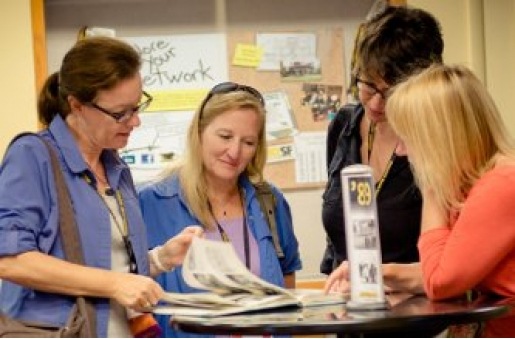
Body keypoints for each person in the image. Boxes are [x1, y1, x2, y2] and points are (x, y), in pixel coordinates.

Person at [0, 37, 203, 337]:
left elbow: (106, 265)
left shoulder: (116, 168)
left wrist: (161, 258)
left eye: (137, 106)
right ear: (77, 106)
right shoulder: (33, 155)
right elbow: (11, 261)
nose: (135, 122)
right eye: (121, 112)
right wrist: (116, 284)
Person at [328, 64, 515, 337]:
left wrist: (431, 185)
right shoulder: (480, 184)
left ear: (439, 137)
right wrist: (377, 272)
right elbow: (450, 268)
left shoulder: (501, 184)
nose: (401, 151)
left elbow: (440, 281)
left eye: (406, 137)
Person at [138, 81, 302, 337]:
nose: (234, 151)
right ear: (199, 132)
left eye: (248, 142)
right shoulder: (149, 203)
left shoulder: (269, 200)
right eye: (225, 136)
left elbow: (287, 275)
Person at [320, 5, 444, 275]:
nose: (375, 103)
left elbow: (453, 260)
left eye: (391, 93)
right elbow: (335, 240)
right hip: (347, 304)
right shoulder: (343, 126)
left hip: (418, 307)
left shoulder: (437, 141)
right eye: (368, 84)